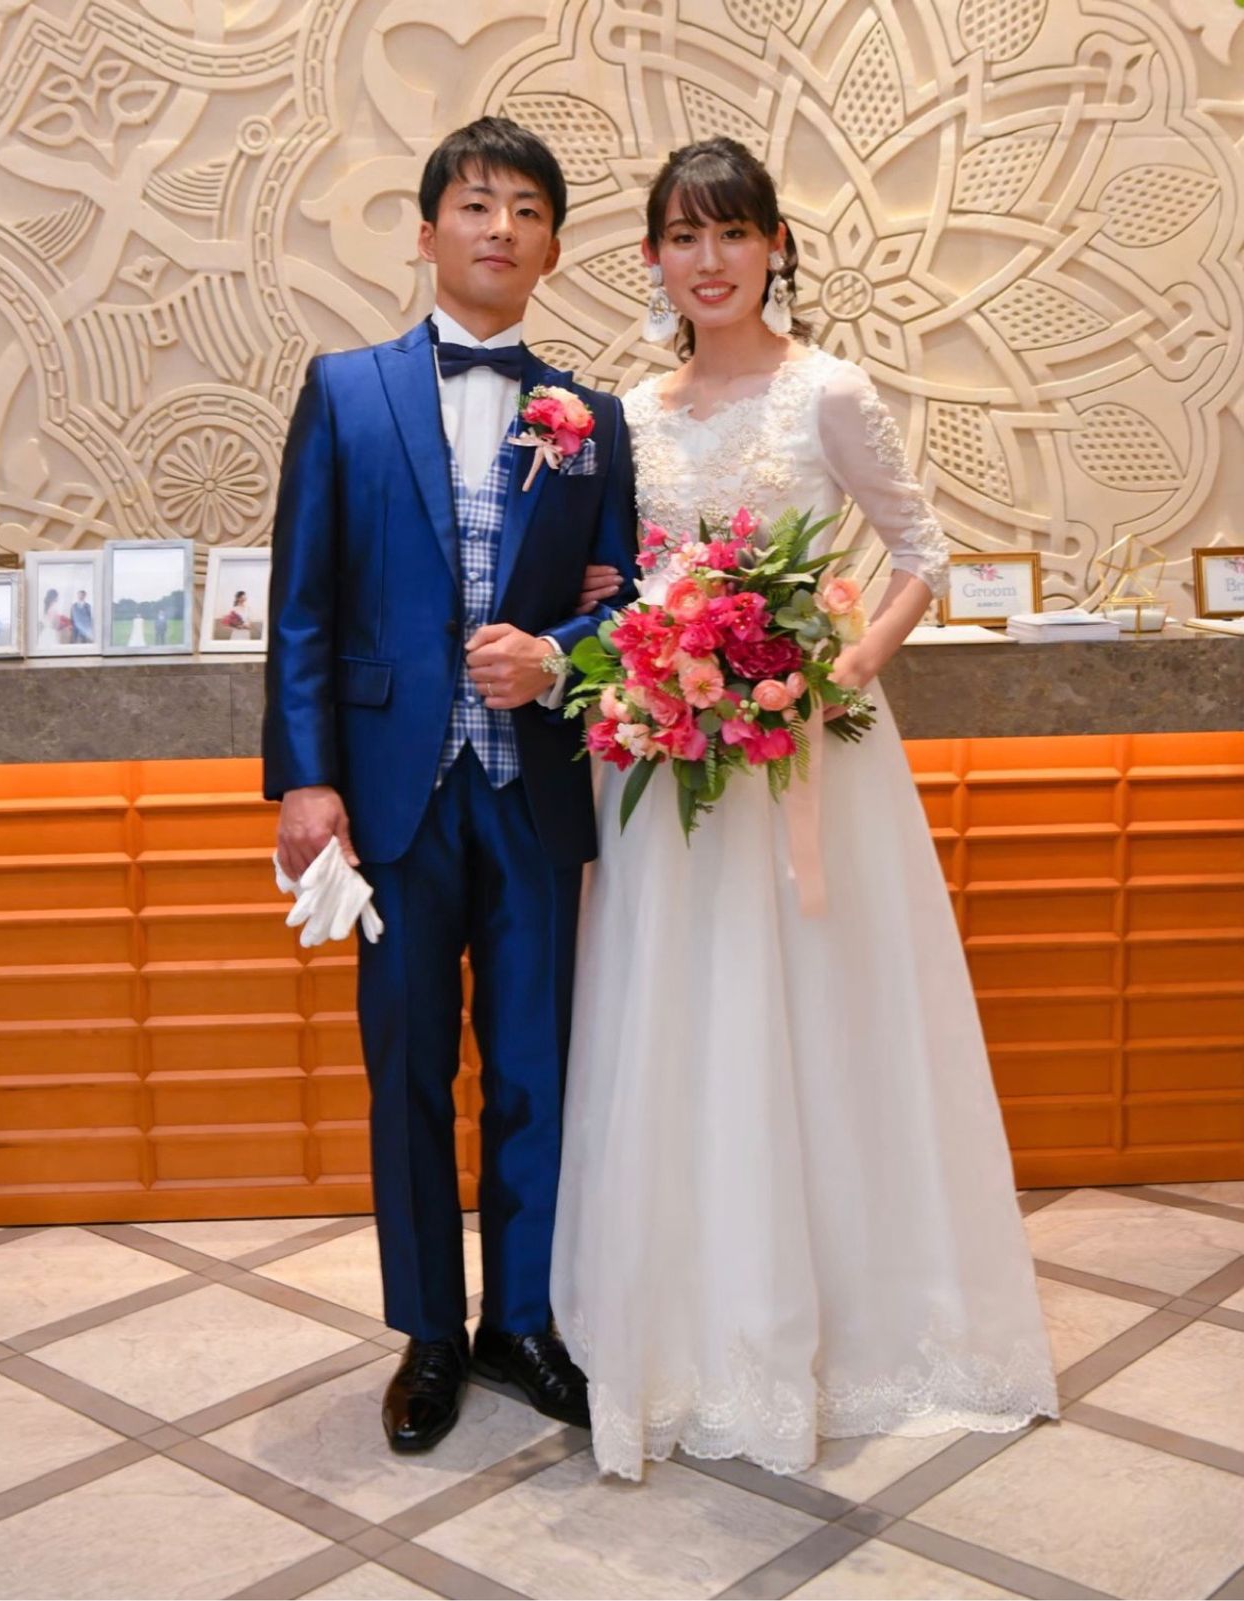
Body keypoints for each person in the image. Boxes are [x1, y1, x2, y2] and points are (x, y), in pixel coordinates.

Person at [550, 138, 1059, 1480]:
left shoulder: (827, 389)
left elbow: (921, 553)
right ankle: (686, 1323)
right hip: (670, 763)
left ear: (777, 245)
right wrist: (631, 635)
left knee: (822, 1025)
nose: (708, 259)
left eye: (733, 232)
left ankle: (836, 1321)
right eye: (682, 235)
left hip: (806, 756)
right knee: (680, 1022)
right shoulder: (630, 413)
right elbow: (627, 577)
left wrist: (833, 675)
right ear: (652, 257)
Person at [264, 117, 635, 1456]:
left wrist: (556, 652)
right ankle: (428, 1332)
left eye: (527, 210)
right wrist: (305, 780)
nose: (500, 228)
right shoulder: (346, 391)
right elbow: (303, 605)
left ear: (552, 247)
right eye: (476, 206)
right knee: (410, 1066)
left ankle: (520, 1322)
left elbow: (627, 605)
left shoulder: (590, 419)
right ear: (427, 234)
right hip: (393, 794)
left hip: (534, 791)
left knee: (534, 1064)